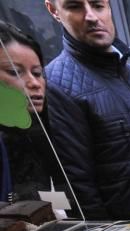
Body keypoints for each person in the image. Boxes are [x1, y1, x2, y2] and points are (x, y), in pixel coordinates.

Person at [43, 0, 130, 220]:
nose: (91, 17)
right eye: (75, 7)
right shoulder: (55, 86)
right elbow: (79, 189)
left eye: (98, 5)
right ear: (54, 10)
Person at [0, 22, 78, 213]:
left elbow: (57, 201)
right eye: (14, 72)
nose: (34, 83)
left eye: (37, 73)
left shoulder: (43, 132)